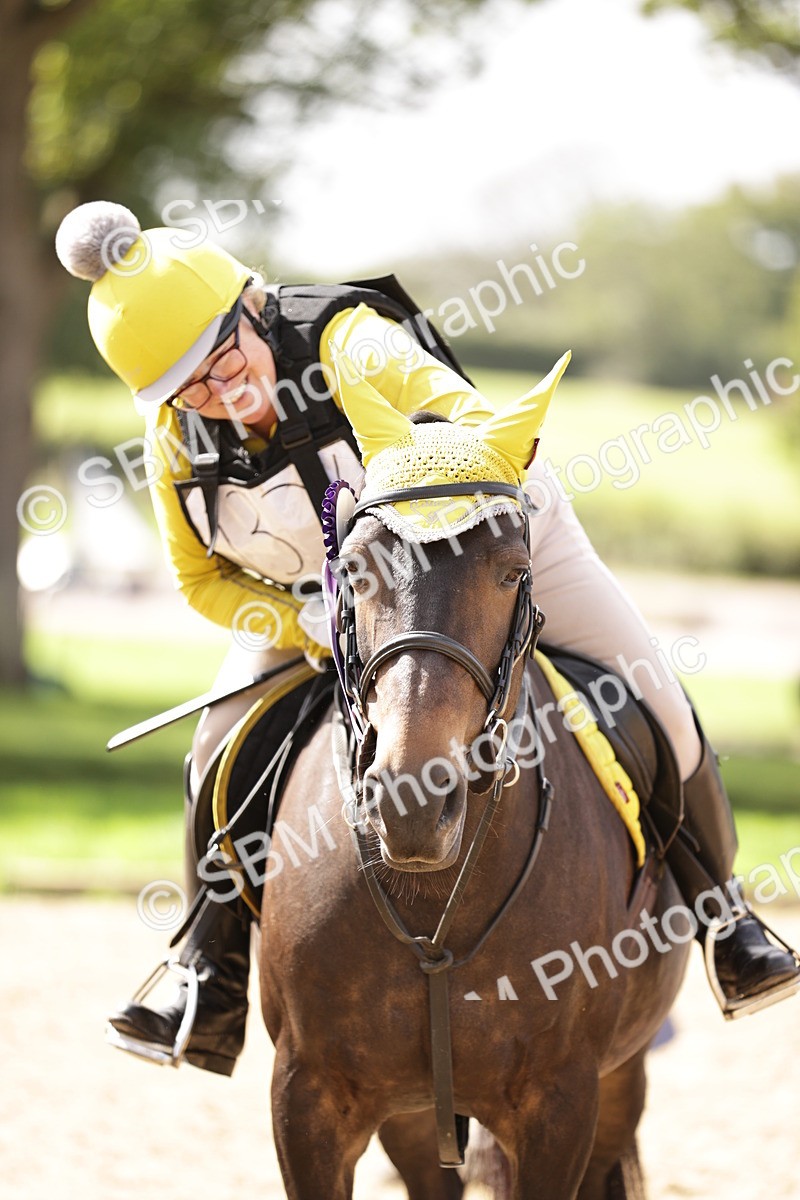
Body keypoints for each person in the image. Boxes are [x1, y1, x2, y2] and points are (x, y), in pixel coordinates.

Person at [55, 200, 799, 1076]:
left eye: (224, 360)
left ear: (249, 308)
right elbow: (199, 579)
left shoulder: (352, 345)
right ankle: (204, 975)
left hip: (490, 542)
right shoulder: (177, 436)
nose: (223, 395)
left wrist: (404, 588)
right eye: (190, 388)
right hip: (325, 610)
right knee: (213, 749)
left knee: (653, 693)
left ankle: (727, 922)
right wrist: (312, 621)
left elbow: (478, 444)